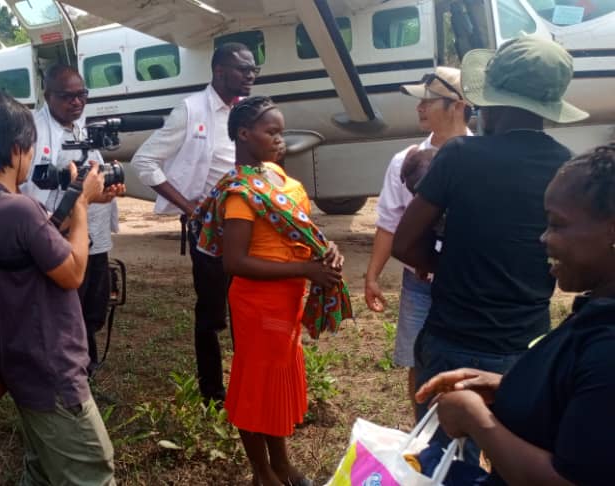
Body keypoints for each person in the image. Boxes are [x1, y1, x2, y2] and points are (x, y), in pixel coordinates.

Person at [393, 35, 588, 461]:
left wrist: (447, 267)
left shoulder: (461, 155)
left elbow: (405, 242)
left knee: (435, 458)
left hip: (453, 336)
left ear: (493, 102)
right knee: (510, 460)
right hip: (529, 345)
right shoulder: (568, 167)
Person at [414, 143, 615, 486]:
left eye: (557, 225)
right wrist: (504, 387)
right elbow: (582, 402)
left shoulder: (608, 347)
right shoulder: (598, 312)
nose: (544, 238)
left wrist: (474, 418)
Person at [0, 92, 115, 485]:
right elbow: (74, 272)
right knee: (93, 470)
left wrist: (80, 202)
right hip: (51, 365)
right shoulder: (19, 208)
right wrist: (80, 208)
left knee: (42, 468)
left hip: (17, 357)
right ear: (15, 149)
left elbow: (33, 245)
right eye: (28, 148)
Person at [193, 96, 349, 486]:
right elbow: (235, 262)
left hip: (287, 301)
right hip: (257, 306)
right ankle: (262, 471)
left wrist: (326, 252)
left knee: (274, 387)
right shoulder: (240, 194)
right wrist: (306, 269)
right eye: (272, 132)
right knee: (255, 387)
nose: (280, 140)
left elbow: (304, 236)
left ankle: (281, 463)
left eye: (281, 132)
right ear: (244, 134)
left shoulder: (286, 184)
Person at [131, 42, 257, 402]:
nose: (250, 75)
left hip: (247, 227)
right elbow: (145, 162)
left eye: (254, 70)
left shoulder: (248, 111)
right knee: (213, 315)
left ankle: (247, 385)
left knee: (246, 309)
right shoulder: (190, 110)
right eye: (243, 69)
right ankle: (213, 392)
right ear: (219, 72)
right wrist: (189, 206)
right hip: (210, 231)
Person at [362, 67, 471, 408]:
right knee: (418, 360)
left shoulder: (481, 156)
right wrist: (372, 275)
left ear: (458, 105)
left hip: (468, 281)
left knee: (466, 361)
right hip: (419, 284)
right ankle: (422, 434)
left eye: (428, 101)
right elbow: (388, 222)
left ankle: (464, 440)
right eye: (418, 101)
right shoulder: (405, 160)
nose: (420, 108)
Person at [21, 65, 125, 377]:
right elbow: (29, 189)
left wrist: (106, 189)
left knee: (94, 306)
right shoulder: (32, 132)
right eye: (68, 96)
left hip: (93, 234)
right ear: (48, 95)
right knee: (66, 309)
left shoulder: (85, 128)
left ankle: (86, 363)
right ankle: (68, 369)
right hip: (59, 236)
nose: (77, 102)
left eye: (82, 95)